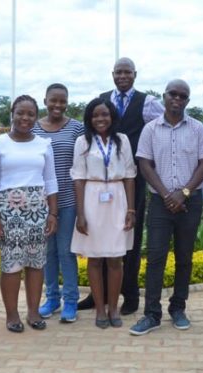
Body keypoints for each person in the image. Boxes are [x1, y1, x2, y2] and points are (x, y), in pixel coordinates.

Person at [78, 57, 164, 315]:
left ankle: (130, 295)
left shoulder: (147, 102)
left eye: (127, 72)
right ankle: (98, 295)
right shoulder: (103, 98)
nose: (123, 76)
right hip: (97, 185)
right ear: (112, 74)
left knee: (129, 237)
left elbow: (164, 125)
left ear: (135, 74)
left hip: (129, 178)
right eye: (119, 72)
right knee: (98, 238)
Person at [129, 79, 203, 336]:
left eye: (183, 95)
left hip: (190, 201)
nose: (177, 99)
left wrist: (184, 192)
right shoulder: (151, 129)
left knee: (184, 258)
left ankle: (178, 308)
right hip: (160, 203)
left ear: (188, 100)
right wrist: (167, 194)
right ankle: (151, 314)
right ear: (164, 97)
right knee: (156, 258)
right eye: (172, 94)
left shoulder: (198, 129)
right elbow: (144, 163)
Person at [0, 95, 58, 333]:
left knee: (36, 263)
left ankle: (34, 312)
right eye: (20, 113)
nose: (25, 118)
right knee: (11, 264)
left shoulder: (44, 144)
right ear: (12, 113)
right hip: (9, 210)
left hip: (38, 209)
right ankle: (12, 314)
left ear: (36, 117)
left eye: (30, 114)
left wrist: (53, 213)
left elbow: (51, 180)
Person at [70, 98, 136, 329]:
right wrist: (80, 213)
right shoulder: (82, 141)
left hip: (117, 197)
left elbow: (129, 174)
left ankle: (113, 307)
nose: (101, 119)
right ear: (89, 118)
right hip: (92, 197)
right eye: (96, 115)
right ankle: (99, 309)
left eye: (105, 115)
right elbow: (78, 178)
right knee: (95, 258)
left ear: (112, 117)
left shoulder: (123, 140)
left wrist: (130, 208)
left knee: (116, 258)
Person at [34, 83, 85, 323]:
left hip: (67, 200)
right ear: (45, 100)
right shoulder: (33, 127)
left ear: (67, 102)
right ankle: (52, 298)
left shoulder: (76, 128)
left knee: (66, 251)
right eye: (53, 100)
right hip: (39, 202)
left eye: (62, 101)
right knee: (48, 252)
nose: (57, 105)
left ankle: (71, 300)